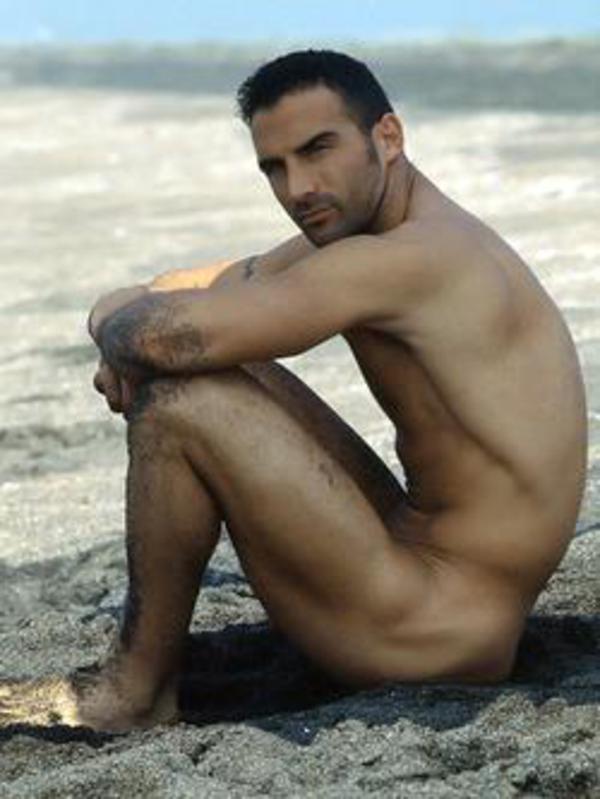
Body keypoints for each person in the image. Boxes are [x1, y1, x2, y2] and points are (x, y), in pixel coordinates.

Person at [1, 50, 587, 731]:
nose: (299, 186)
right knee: (225, 363)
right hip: (431, 575)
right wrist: (124, 331)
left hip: (434, 630)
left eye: (317, 150)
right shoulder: (368, 234)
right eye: (274, 167)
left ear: (388, 137)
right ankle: (140, 684)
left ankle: (134, 691)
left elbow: (160, 335)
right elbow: (180, 297)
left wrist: (125, 341)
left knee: (178, 402)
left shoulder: (411, 258)